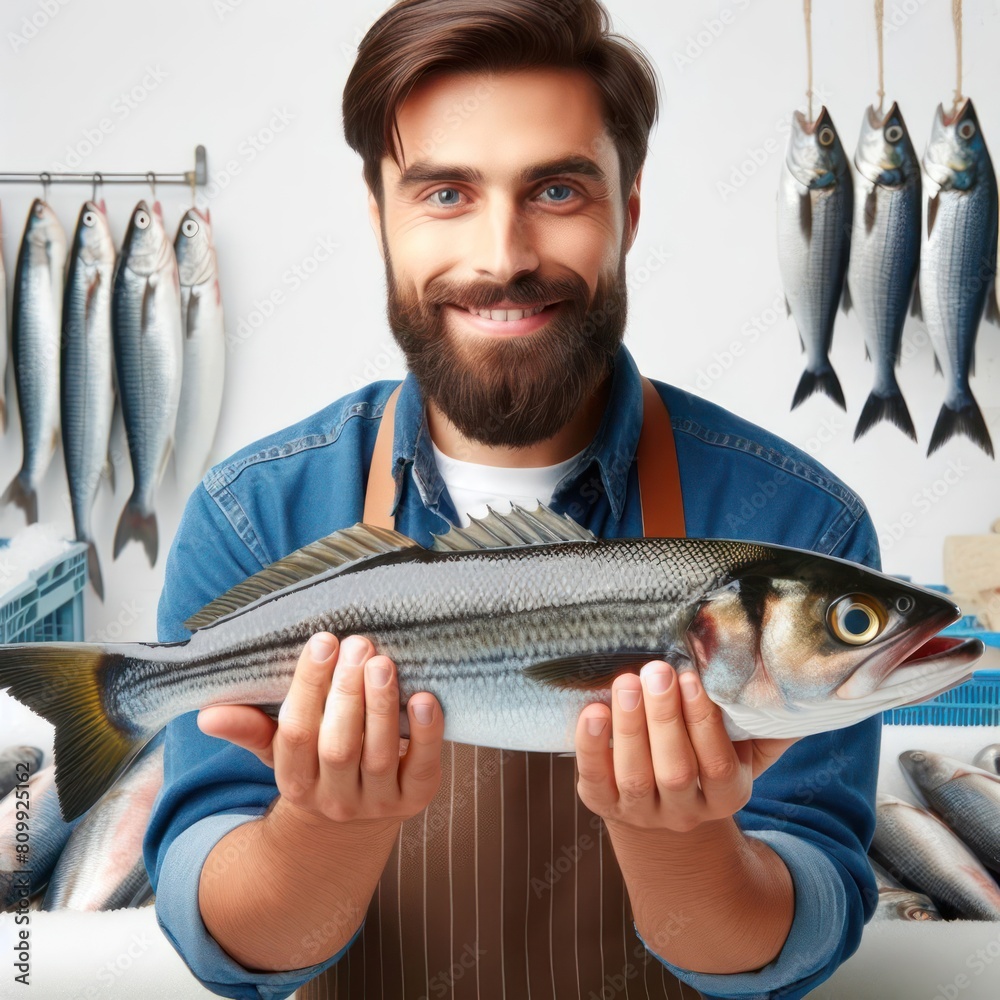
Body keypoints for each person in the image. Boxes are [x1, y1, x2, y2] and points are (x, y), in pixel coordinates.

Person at [144, 2, 882, 997]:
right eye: (444, 192)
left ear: (629, 209)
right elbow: (216, 933)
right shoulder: (251, 515)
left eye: (558, 189)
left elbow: (803, 931)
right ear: (378, 220)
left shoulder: (798, 528)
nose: (503, 254)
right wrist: (321, 830)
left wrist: (683, 844)